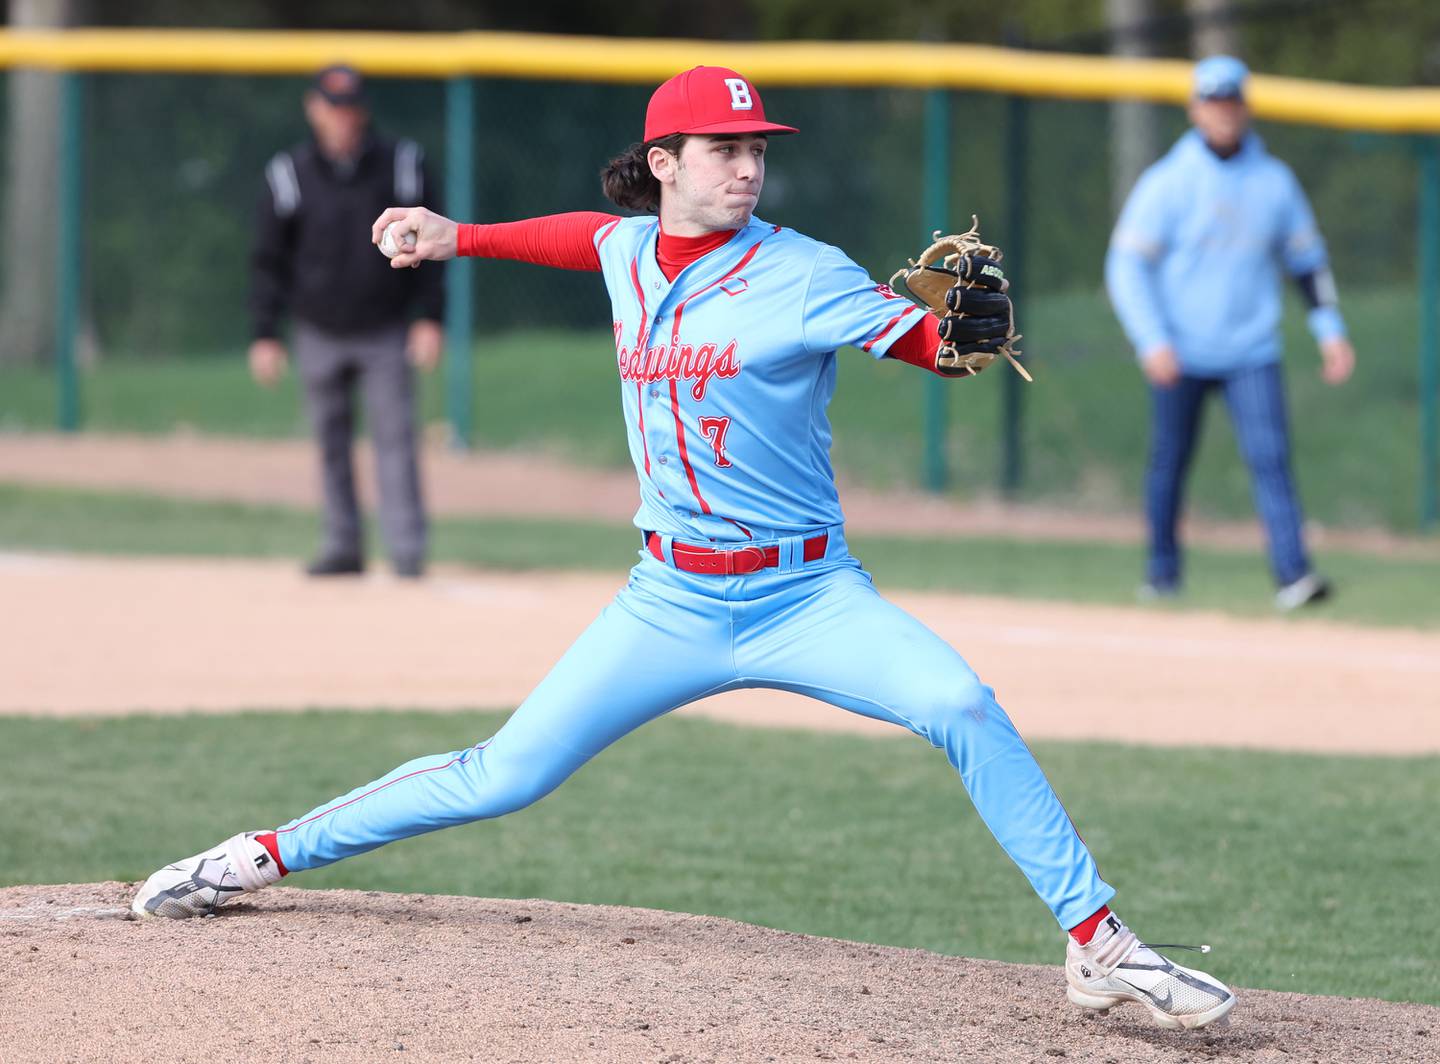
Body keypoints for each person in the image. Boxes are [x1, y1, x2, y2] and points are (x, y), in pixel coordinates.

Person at [136, 66, 1235, 1031]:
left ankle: (1098, 940)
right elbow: (590, 237)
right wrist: (453, 235)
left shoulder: (802, 269)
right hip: (667, 600)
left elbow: (922, 342)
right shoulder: (630, 249)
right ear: (665, 161)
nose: (747, 167)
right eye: (725, 150)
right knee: (502, 774)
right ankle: (258, 854)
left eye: (756, 150)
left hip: (808, 593)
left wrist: (958, 342)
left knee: (960, 703)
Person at [1106, 55, 1355, 611]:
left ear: (1245, 107)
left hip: (1251, 347)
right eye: (1212, 102)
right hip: (1181, 348)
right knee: (1170, 462)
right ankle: (1162, 573)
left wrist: (1330, 330)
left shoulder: (1274, 181)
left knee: (1271, 458)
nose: (1222, 113)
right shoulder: (1169, 182)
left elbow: (1308, 263)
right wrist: (1152, 339)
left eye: (1231, 102)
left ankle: (1294, 576)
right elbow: (1126, 266)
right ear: (1196, 109)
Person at [249, 64, 445, 579]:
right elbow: (267, 260)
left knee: (396, 442)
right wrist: (265, 333)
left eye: (351, 107)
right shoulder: (288, 174)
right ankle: (343, 545)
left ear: (364, 110)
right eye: (333, 108)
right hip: (317, 328)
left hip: (385, 328)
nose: (343, 118)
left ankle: (406, 553)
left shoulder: (402, 165)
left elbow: (431, 247)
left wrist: (431, 318)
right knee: (329, 443)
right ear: (313, 109)